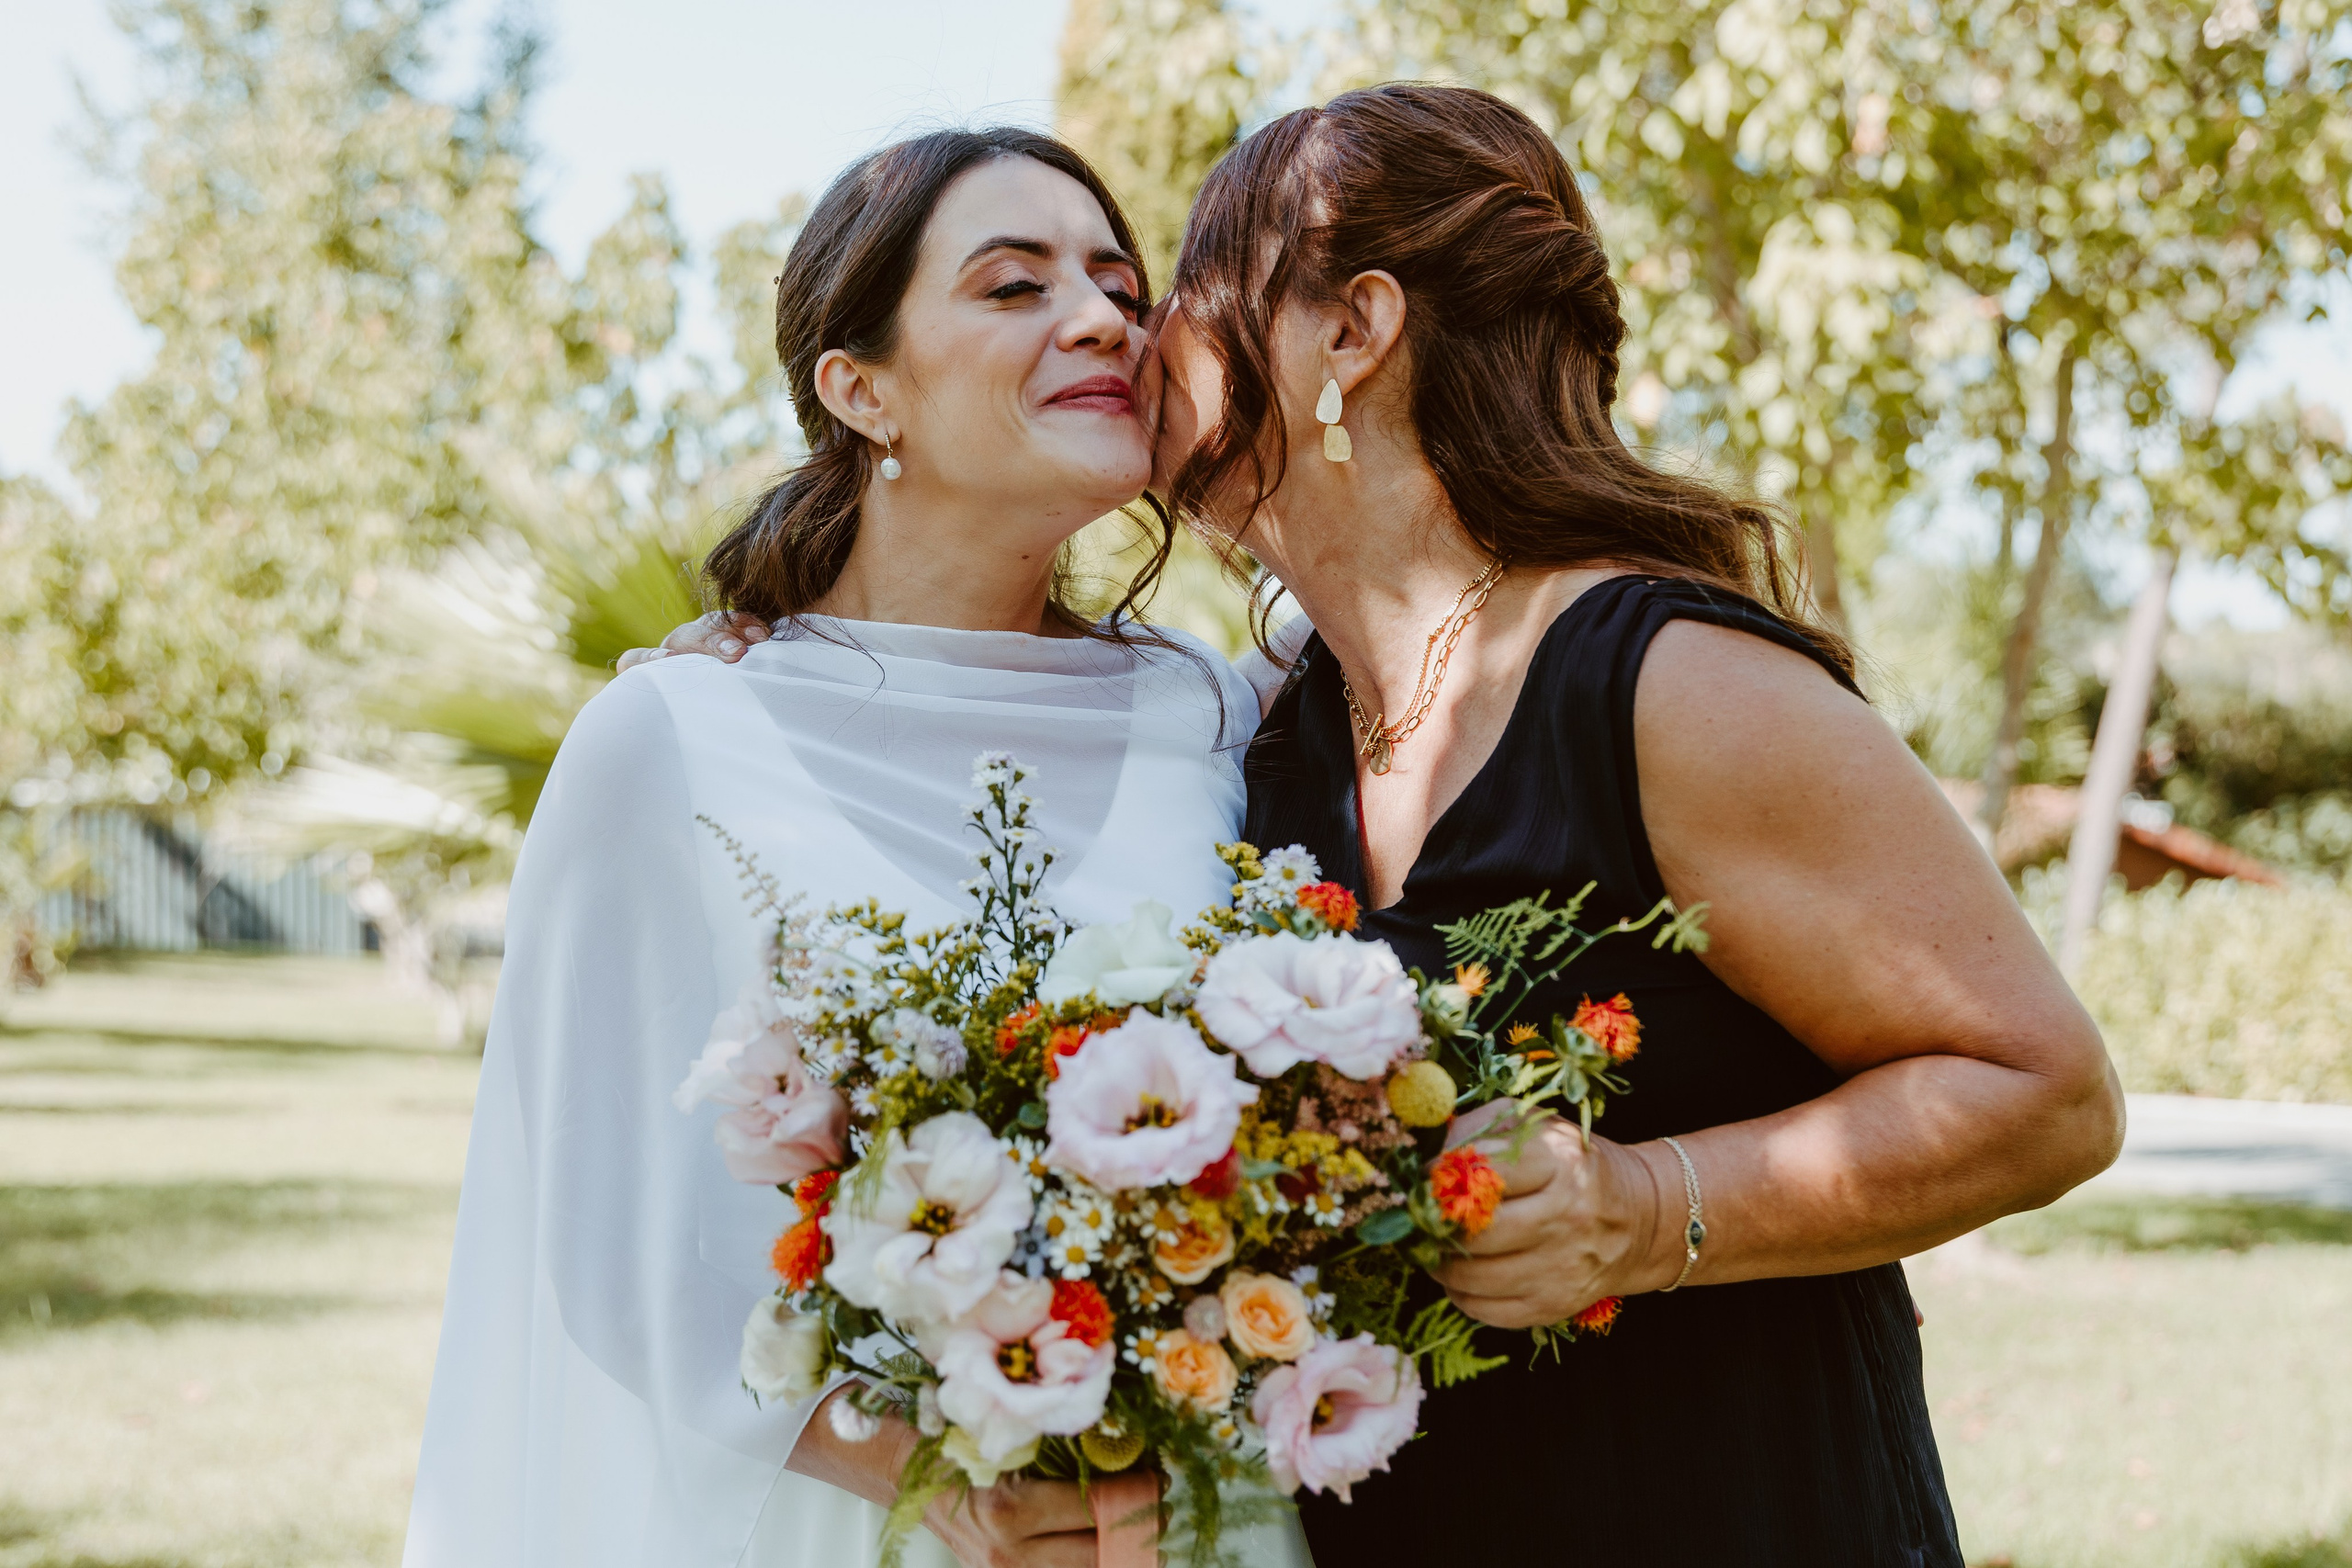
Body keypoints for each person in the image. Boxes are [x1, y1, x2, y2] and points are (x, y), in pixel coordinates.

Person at [650, 82, 2125, 1567]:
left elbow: (2044, 1090)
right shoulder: (1265, 726)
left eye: (1174, 289)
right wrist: (775, 658)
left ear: (1348, 333)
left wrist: (1644, 1203)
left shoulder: (1670, 683)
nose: (1133, 335)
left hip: (1718, 1501)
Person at [402, 127, 1312, 1568]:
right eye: (1014, 286)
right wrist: (943, 1481)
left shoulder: (1213, 712)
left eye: (1120, 287)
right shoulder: (676, 738)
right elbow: (601, 1246)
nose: (1102, 320)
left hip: (1183, 1514)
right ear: (860, 386)